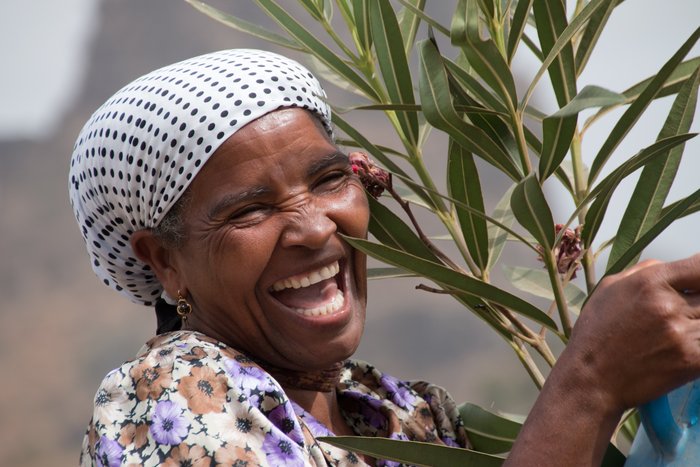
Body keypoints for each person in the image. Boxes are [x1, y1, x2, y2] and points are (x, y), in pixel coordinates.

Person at [70, 49, 700, 466]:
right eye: (249, 211)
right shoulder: (167, 400)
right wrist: (589, 381)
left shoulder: (403, 414)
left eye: (328, 180)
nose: (315, 229)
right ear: (164, 262)